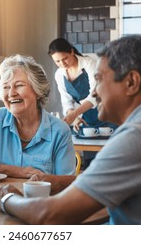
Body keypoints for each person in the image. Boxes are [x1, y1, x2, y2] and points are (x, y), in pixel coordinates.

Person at [0, 35, 141, 224]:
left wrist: (5, 199)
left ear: (131, 82)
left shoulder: (136, 138)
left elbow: (50, 216)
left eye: (99, 79)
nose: (94, 92)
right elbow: (110, 179)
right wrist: (57, 181)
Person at [0, 54, 75, 178]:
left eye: (19, 85)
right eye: (6, 87)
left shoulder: (60, 131)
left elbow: (66, 183)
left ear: (38, 90)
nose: (11, 93)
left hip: (39, 197)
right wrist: (11, 170)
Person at [48, 38, 117, 167]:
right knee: (92, 164)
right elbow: (66, 101)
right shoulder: (59, 74)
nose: (62, 63)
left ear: (72, 52)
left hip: (107, 113)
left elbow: (94, 96)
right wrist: (74, 118)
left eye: (65, 58)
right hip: (87, 118)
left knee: (111, 159)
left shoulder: (89, 64)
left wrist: (74, 114)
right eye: (57, 61)